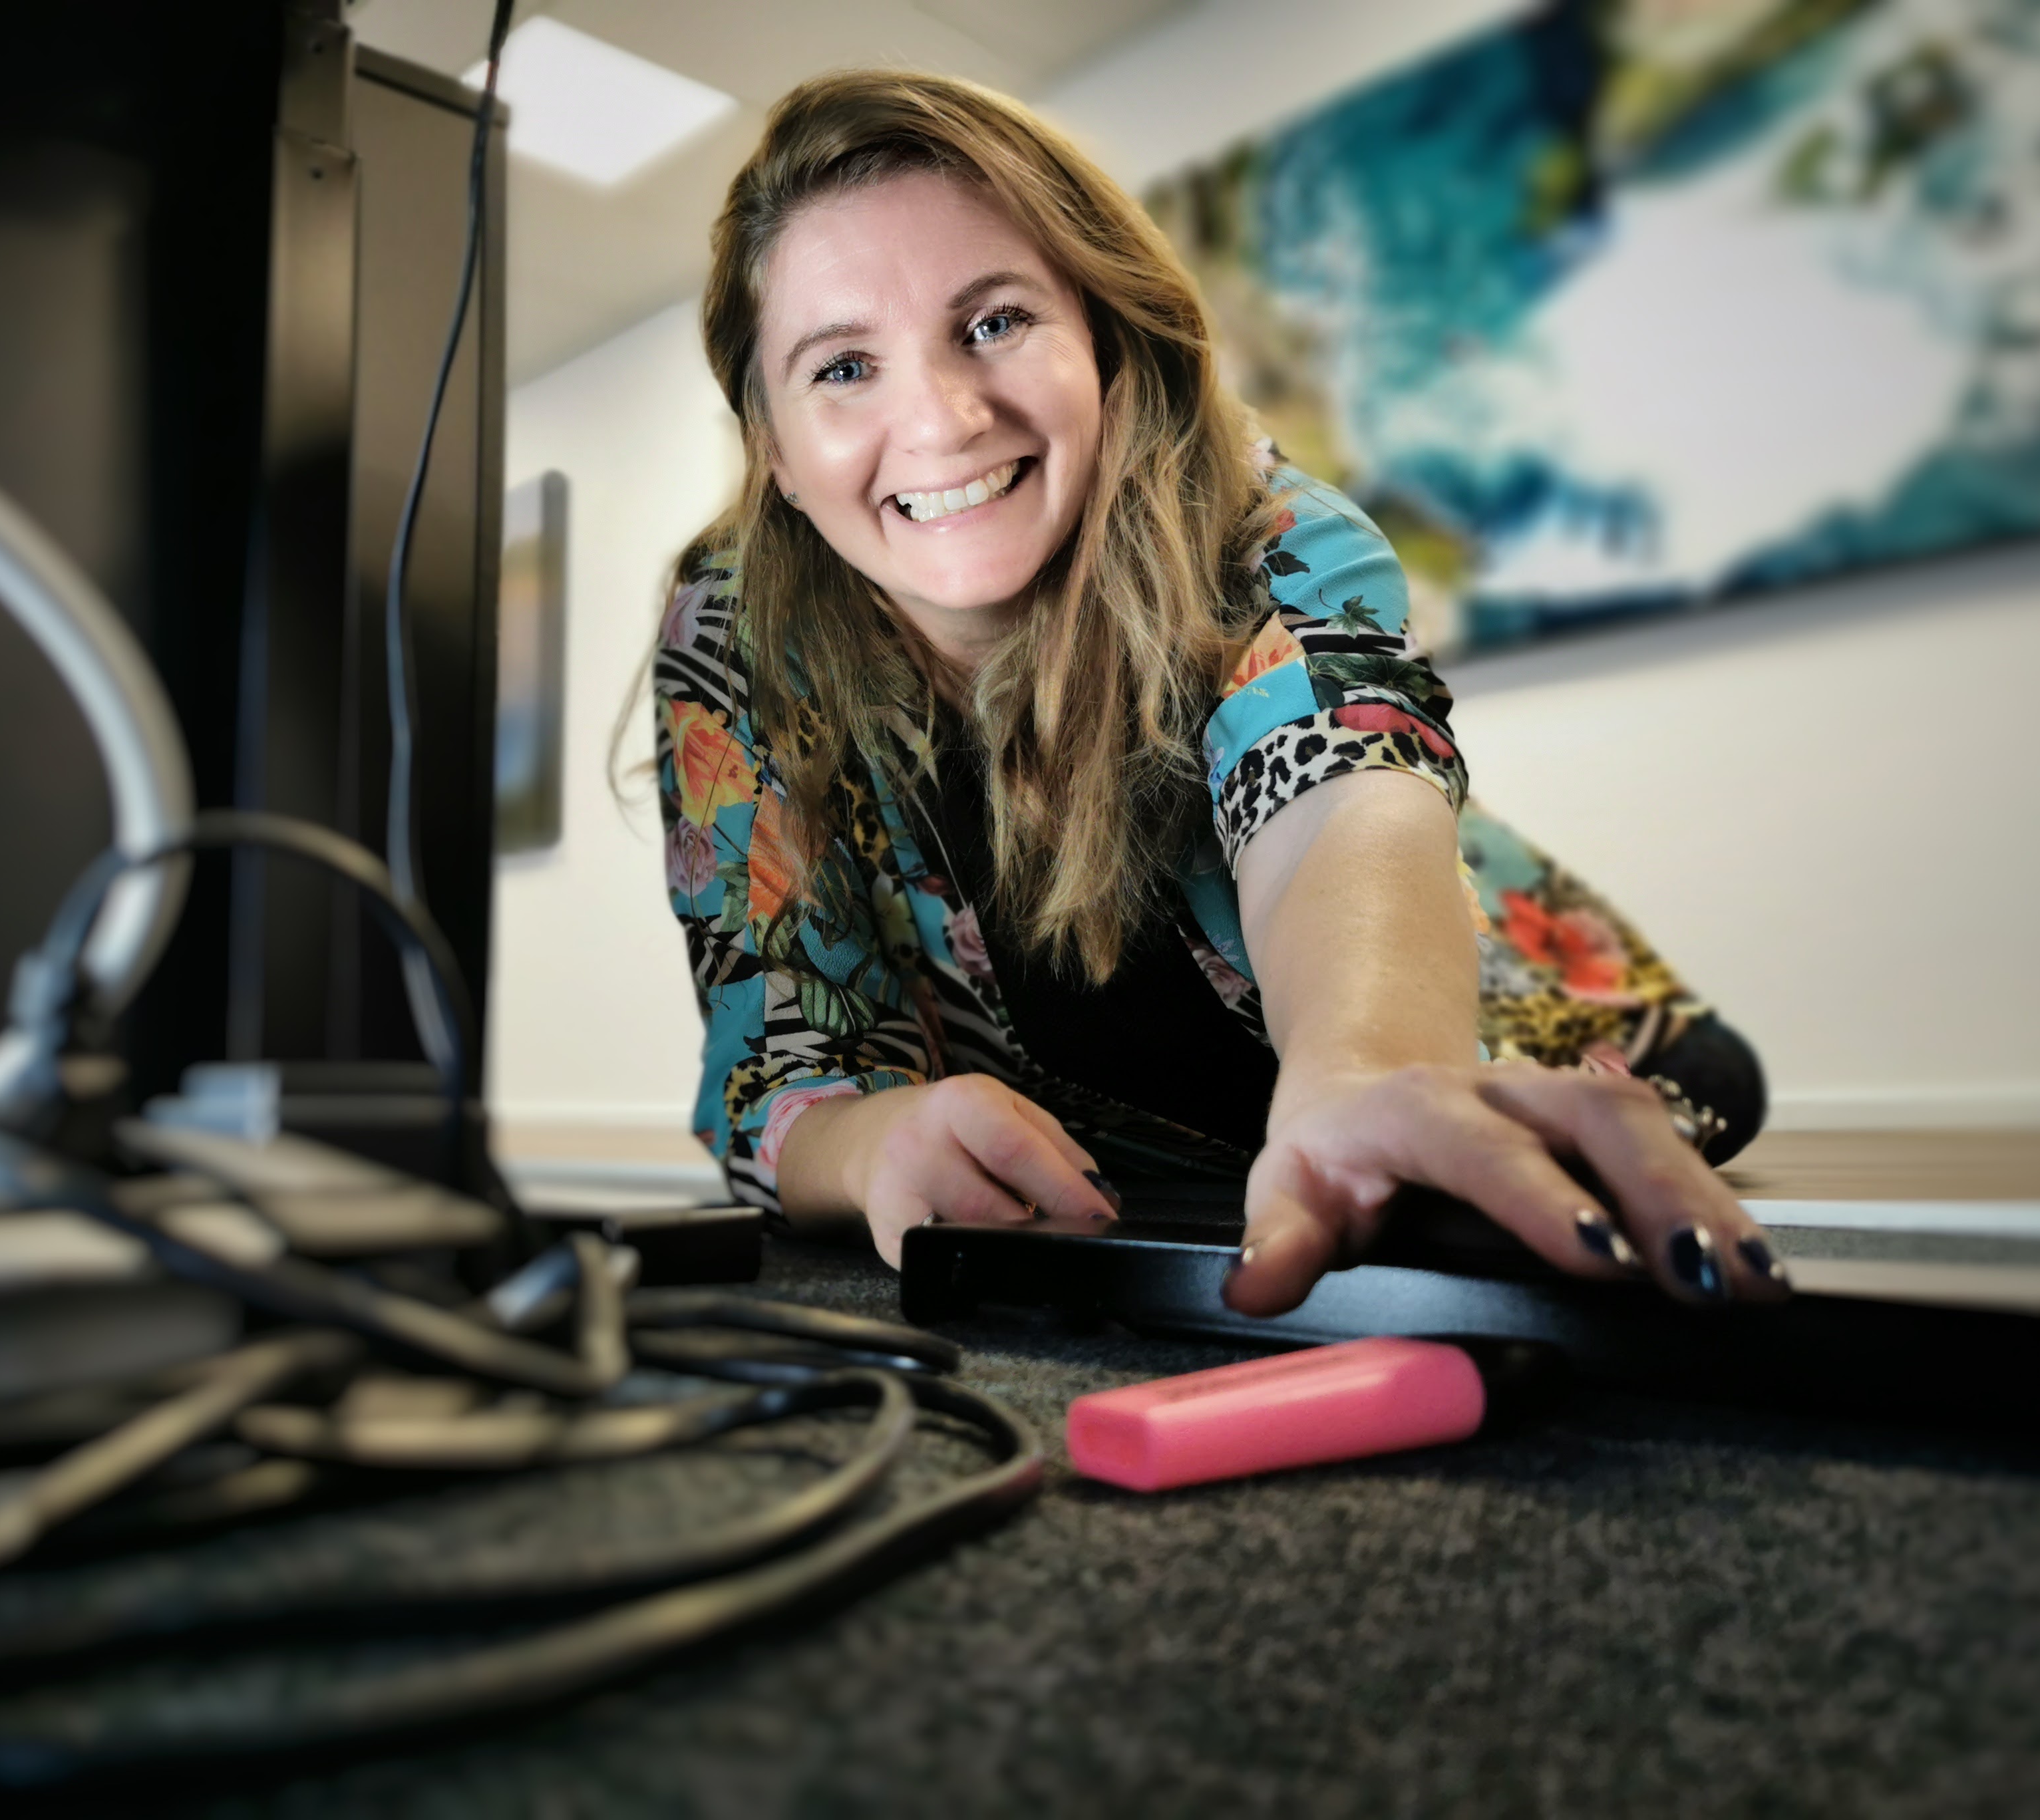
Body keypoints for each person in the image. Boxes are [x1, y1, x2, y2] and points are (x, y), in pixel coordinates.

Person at [650, 70, 1786, 1314]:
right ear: (774, 447)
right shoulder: (731, 627)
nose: (943, 420)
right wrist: (869, 1146)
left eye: (995, 322)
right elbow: (776, 1056)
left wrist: (1368, 1067)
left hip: (1543, 1058)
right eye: (843, 367)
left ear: (1102, 337)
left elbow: (1335, 799)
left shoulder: (1266, 529)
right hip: (1168, 1197)